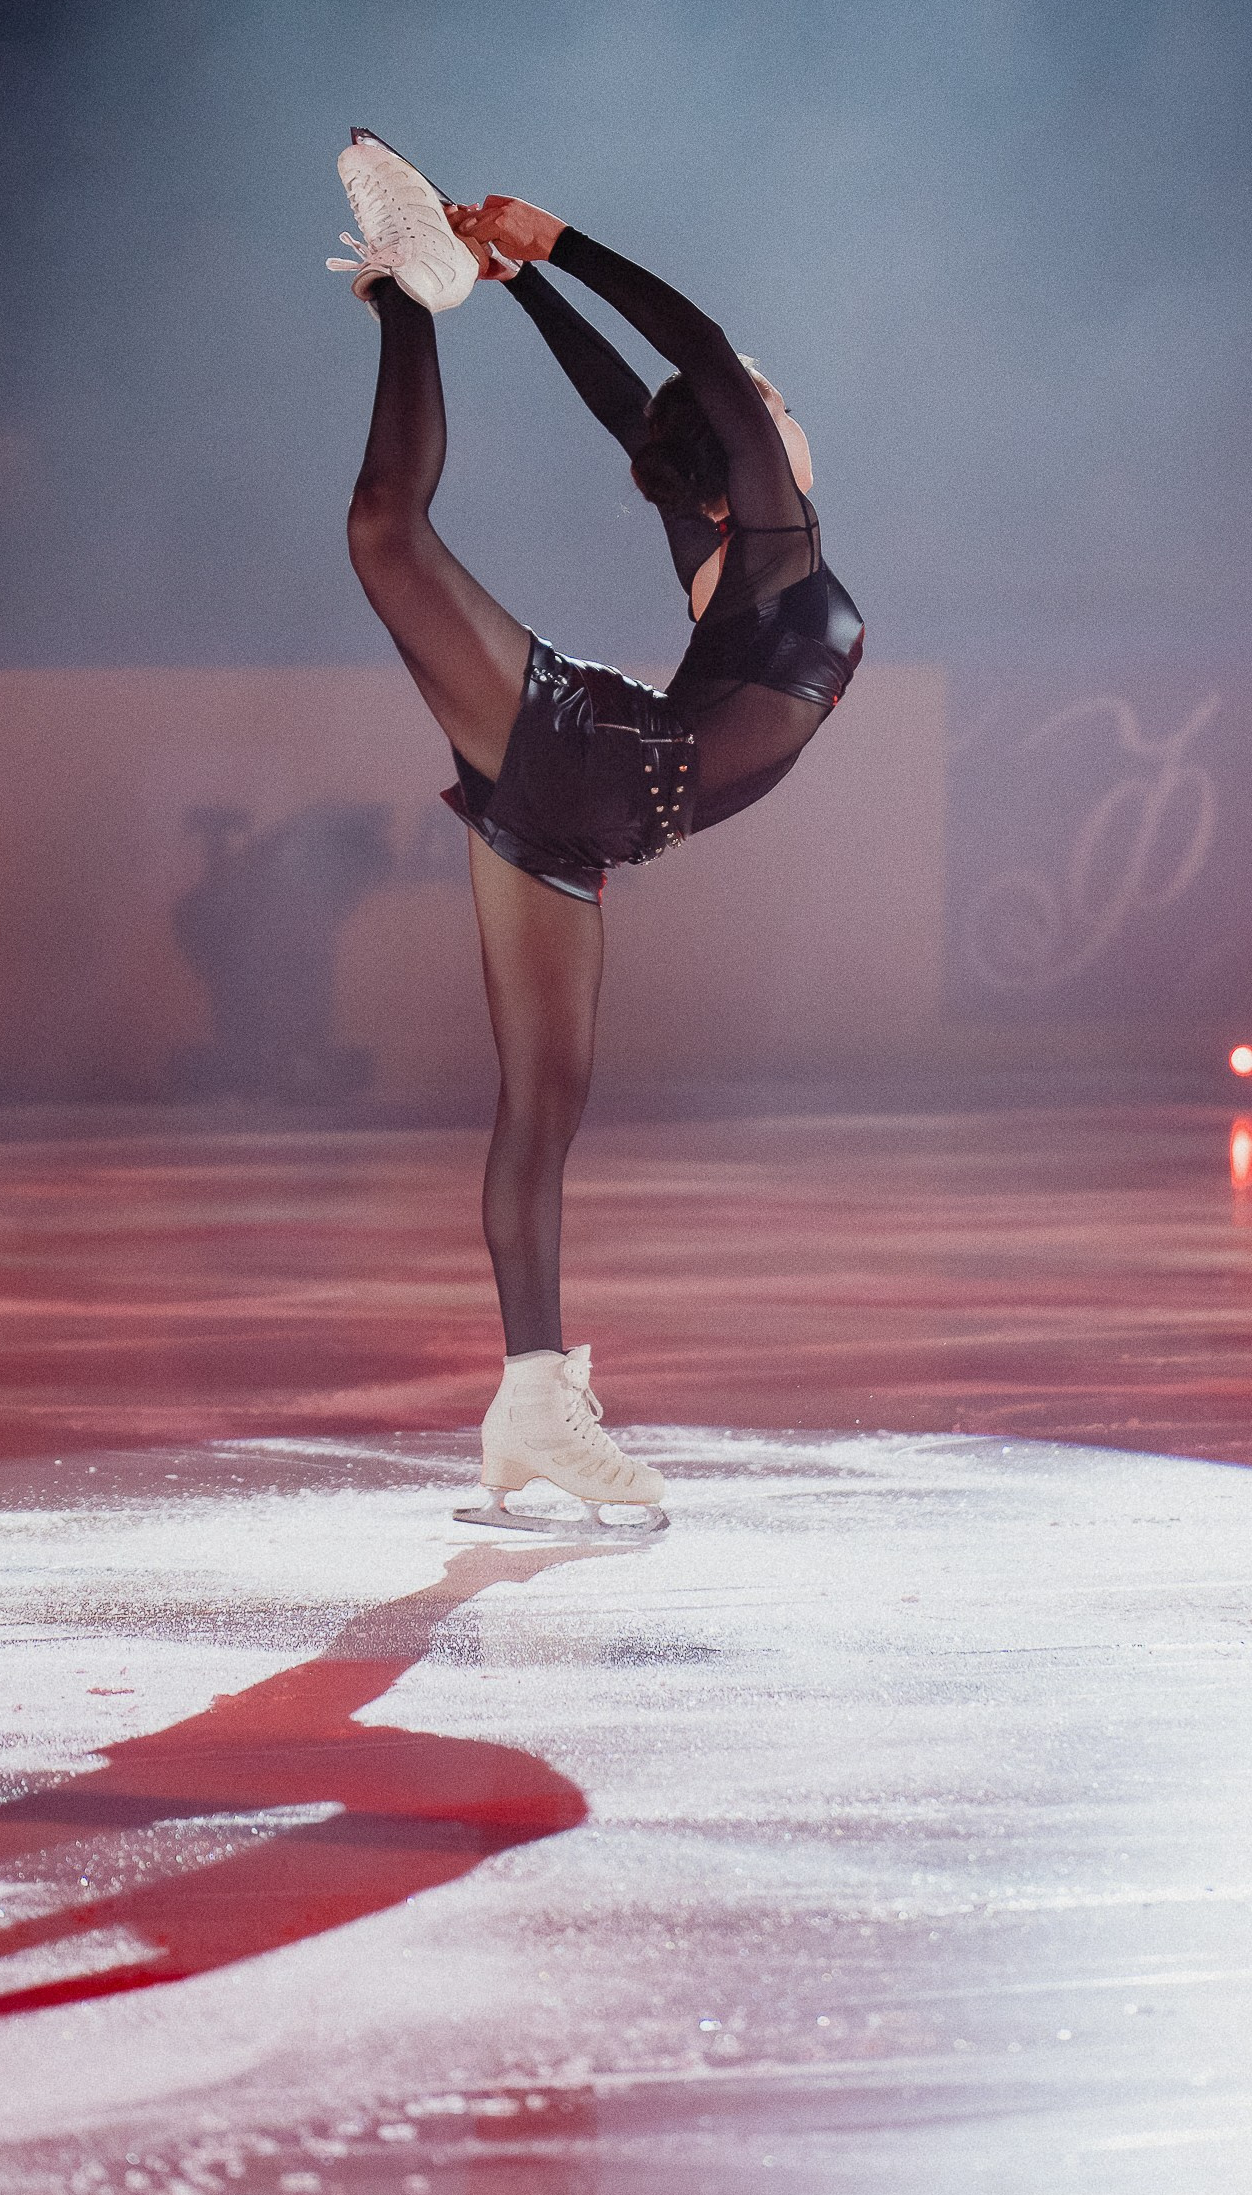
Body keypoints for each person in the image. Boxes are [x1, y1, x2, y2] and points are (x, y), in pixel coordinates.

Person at [333, 132, 863, 1535]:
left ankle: (528, 1407)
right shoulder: (775, 536)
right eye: (765, 412)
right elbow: (690, 352)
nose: (778, 413)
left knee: (541, 1111)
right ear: (743, 463)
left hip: (594, 813)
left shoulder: (732, 552)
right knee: (387, 533)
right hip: (601, 766)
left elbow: (642, 409)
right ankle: (408, 292)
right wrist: (548, 252)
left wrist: (527, 285)